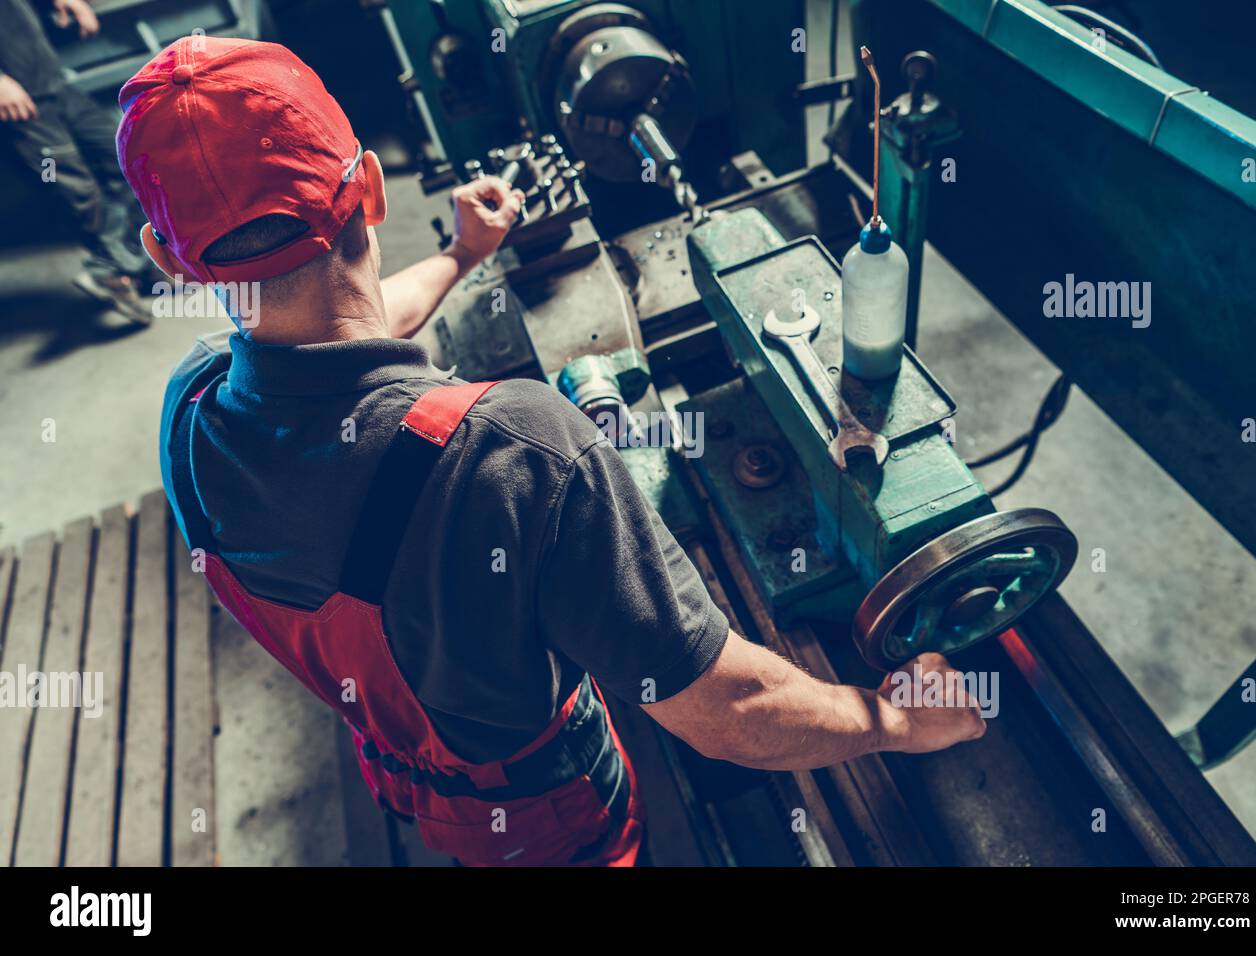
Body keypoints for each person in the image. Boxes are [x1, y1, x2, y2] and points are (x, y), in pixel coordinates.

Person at [121, 36, 985, 867]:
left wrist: (463, 257)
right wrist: (896, 718)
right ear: (373, 189)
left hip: (409, 779)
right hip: (554, 822)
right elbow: (727, 708)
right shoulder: (515, 453)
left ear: (169, 258)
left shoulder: (187, 412)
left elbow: (329, 333)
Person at [0, 0, 153, 323]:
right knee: (72, 187)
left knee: (129, 156)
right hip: (20, 106)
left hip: (54, 84)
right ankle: (115, 273)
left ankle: (129, 263)